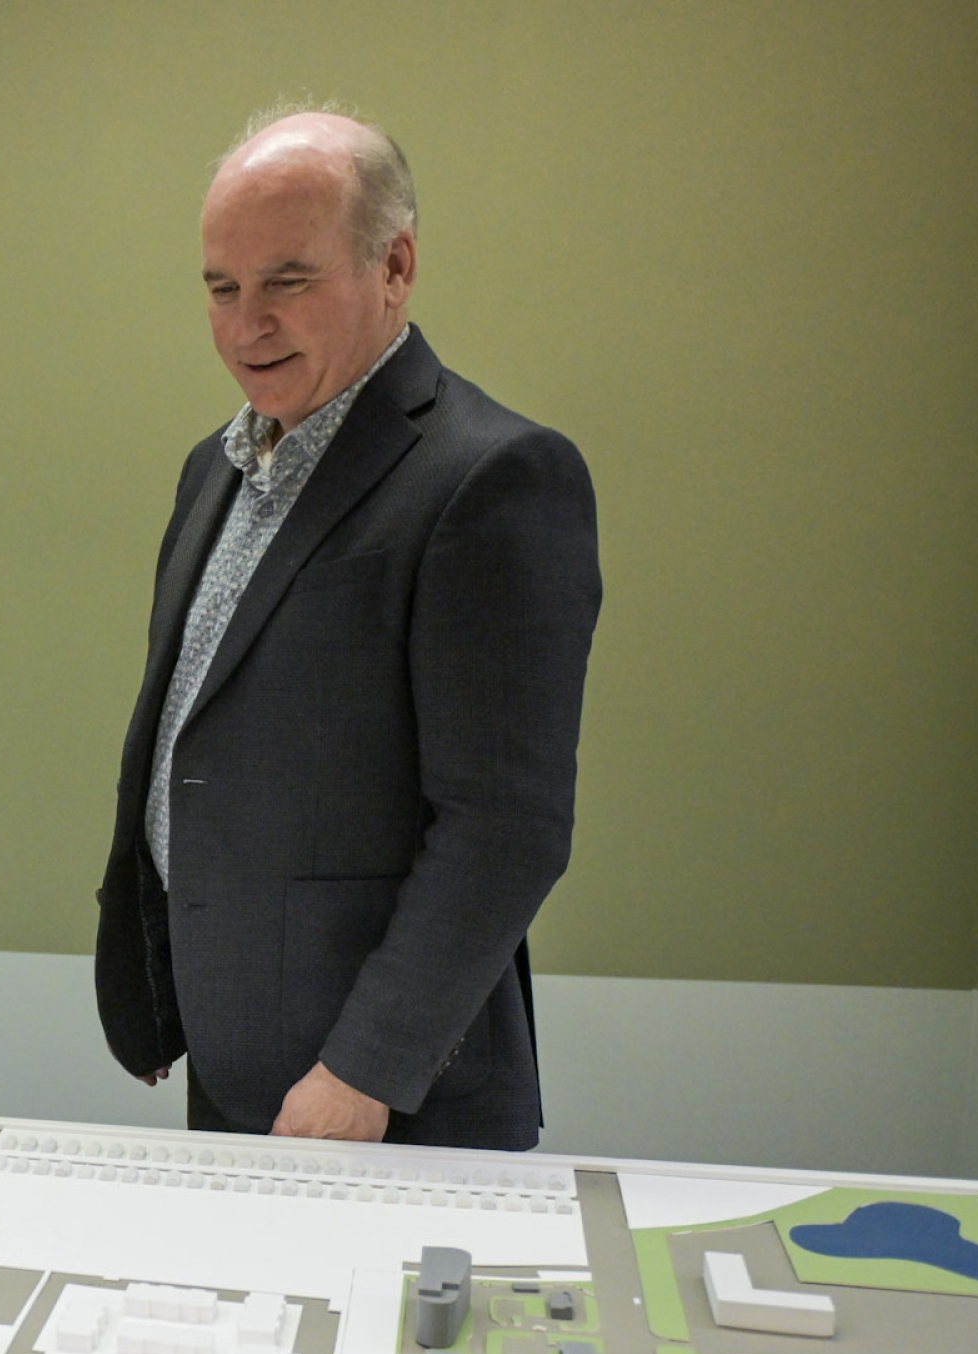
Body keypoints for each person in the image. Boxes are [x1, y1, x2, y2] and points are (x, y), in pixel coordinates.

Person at [96, 109, 601, 1149]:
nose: (247, 326)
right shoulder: (213, 469)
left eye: (287, 281)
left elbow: (505, 827)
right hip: (232, 1058)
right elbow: (195, 737)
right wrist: (154, 977)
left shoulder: (491, 476)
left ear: (395, 267)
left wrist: (362, 1071)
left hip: (381, 1097)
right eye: (221, 289)